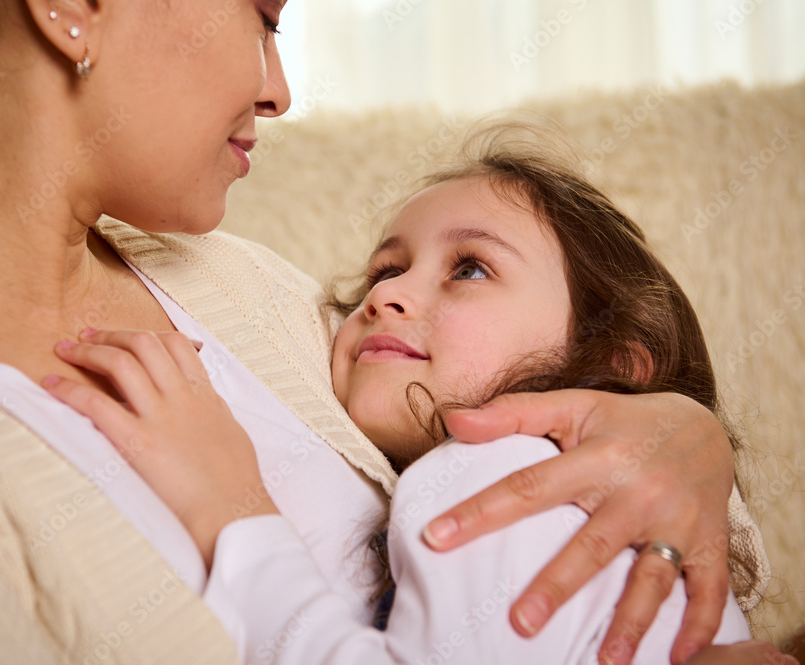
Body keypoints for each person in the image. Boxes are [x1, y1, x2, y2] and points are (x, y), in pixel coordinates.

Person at [0, 1, 779, 664]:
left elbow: (508, 405)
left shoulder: (240, 286)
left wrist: (676, 434)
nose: (279, 89)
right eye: (265, 15)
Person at [45, 122, 766, 663]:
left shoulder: (497, 476)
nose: (387, 296)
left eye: (471, 268)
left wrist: (229, 508)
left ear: (611, 360)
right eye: (384, 270)